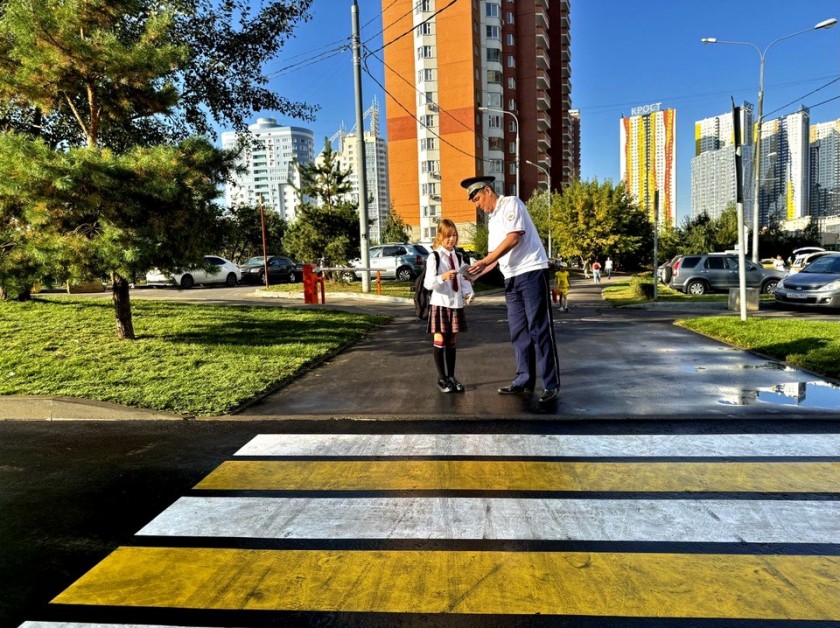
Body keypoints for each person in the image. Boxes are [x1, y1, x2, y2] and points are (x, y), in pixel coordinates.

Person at [463, 175, 560, 404]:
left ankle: (551, 384)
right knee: (519, 332)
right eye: (474, 202)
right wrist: (473, 276)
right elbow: (495, 259)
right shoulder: (492, 222)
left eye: (477, 199)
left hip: (532, 272)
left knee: (539, 328)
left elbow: (514, 238)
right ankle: (524, 379)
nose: (478, 206)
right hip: (512, 279)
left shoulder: (511, 203)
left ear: (487, 191)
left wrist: (485, 261)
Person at [425, 218, 475, 394]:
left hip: (455, 304)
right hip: (440, 303)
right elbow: (428, 284)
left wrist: (468, 292)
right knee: (440, 340)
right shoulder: (434, 257)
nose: (452, 239)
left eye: (454, 235)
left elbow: (463, 278)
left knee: (452, 341)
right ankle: (442, 378)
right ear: (440, 236)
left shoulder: (459, 256)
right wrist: (443, 277)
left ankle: (452, 377)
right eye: (448, 236)